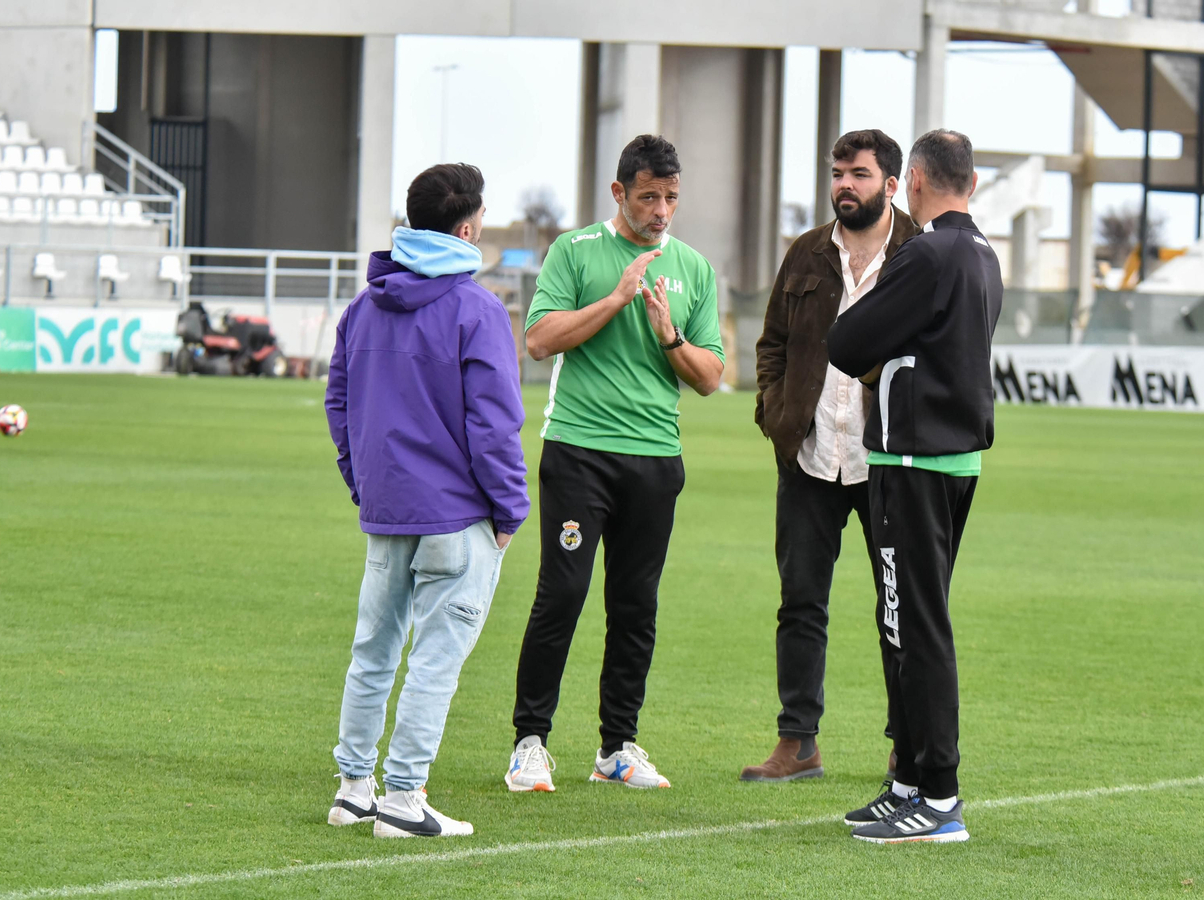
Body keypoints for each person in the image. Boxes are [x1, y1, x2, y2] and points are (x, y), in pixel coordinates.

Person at [505, 134, 724, 793]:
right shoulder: (575, 252)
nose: (661, 210)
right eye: (649, 197)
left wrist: (670, 336)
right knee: (564, 592)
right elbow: (539, 340)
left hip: (656, 458)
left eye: (672, 198)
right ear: (619, 193)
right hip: (579, 452)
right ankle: (530, 741)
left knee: (636, 604)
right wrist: (616, 298)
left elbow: (710, 376)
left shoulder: (694, 267)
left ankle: (616, 748)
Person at [324, 163, 529, 838]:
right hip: (457, 517)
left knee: (373, 651)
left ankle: (354, 789)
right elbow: (493, 423)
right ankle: (404, 799)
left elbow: (340, 404)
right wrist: (510, 511)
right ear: (468, 228)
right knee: (434, 660)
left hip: (389, 511)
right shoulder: (477, 310)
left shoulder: (361, 308)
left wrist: (363, 483)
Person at [826, 130, 1002, 844]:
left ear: (918, 182)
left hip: (913, 464)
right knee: (905, 619)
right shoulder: (984, 251)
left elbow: (845, 343)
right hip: (955, 462)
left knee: (915, 625)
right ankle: (909, 781)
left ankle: (940, 797)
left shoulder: (927, 253)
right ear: (974, 183)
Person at [745, 129, 919, 783]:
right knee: (800, 602)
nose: (845, 184)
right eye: (839, 173)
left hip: (891, 464)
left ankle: (908, 741)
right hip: (810, 458)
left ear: (893, 186)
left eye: (861, 175)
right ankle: (798, 743)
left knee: (898, 606)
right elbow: (773, 344)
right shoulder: (806, 254)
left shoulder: (918, 255)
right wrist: (775, 413)